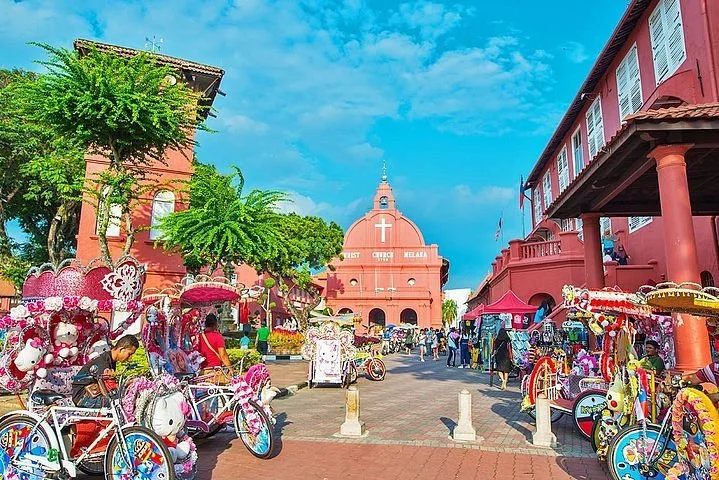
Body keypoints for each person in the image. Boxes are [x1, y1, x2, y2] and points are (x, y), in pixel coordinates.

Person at [72, 335, 138, 408]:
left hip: (92, 394)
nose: (130, 358)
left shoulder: (109, 359)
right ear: (121, 349)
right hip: (82, 397)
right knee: (121, 402)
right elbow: (109, 388)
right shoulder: (103, 362)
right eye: (130, 354)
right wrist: (125, 385)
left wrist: (127, 384)